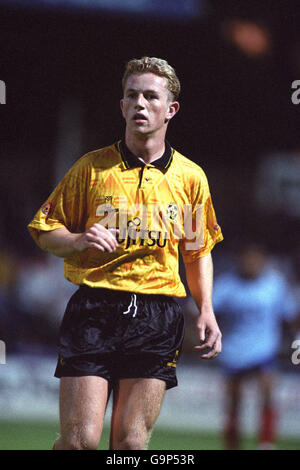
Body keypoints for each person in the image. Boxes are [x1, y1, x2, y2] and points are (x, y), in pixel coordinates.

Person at [27, 56, 223, 450]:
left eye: (151, 96)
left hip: (157, 315)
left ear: (171, 110)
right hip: (94, 311)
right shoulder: (91, 169)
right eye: (131, 95)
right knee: (80, 442)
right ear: (121, 106)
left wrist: (206, 309)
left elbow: (197, 251)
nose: (139, 104)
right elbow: (44, 233)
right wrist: (78, 240)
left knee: (130, 445)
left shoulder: (190, 178)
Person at [212, 243, 298, 450]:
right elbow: (205, 311)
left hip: (263, 349)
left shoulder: (274, 285)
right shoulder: (226, 285)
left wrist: (295, 340)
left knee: (267, 391)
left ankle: (266, 443)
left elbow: (290, 315)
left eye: (255, 259)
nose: (251, 263)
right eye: (247, 259)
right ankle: (232, 444)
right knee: (234, 401)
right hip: (234, 350)